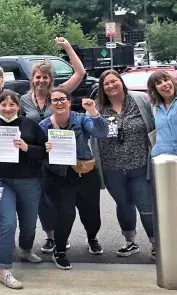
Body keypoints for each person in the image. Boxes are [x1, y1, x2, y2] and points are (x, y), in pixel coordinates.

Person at [0, 89, 47, 288]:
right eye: (3, 105)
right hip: (2, 182)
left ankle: (25, 249)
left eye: (12, 104)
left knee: (29, 223)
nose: (7, 108)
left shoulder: (30, 124)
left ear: (18, 106)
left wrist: (27, 148)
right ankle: (5, 269)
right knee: (8, 223)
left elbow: (45, 151)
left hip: (29, 181)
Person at [18, 38, 86, 254]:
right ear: (32, 79)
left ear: (51, 79)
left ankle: (60, 235)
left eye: (45, 77)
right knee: (40, 200)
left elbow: (80, 73)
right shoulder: (23, 100)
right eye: (38, 77)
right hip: (34, 155)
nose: (41, 80)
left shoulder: (58, 95)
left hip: (58, 155)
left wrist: (67, 47)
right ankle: (49, 236)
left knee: (57, 198)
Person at [40, 88, 108, 270]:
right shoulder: (44, 126)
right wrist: (44, 149)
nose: (59, 103)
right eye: (55, 100)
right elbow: (37, 153)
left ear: (69, 101)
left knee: (91, 214)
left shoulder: (81, 119)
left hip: (85, 172)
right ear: (49, 104)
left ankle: (92, 237)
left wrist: (93, 112)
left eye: (63, 99)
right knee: (65, 215)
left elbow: (101, 133)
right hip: (60, 176)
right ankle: (60, 250)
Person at [90, 70, 155, 259]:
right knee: (123, 205)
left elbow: (156, 122)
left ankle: (155, 243)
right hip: (112, 168)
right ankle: (130, 241)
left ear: (121, 81)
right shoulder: (98, 107)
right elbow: (90, 132)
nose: (111, 86)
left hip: (140, 165)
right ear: (102, 88)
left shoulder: (140, 100)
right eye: (106, 84)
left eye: (114, 81)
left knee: (146, 206)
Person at [149, 70, 177, 158]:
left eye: (166, 79)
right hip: (162, 159)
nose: (164, 84)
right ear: (154, 89)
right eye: (159, 83)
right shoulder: (154, 108)